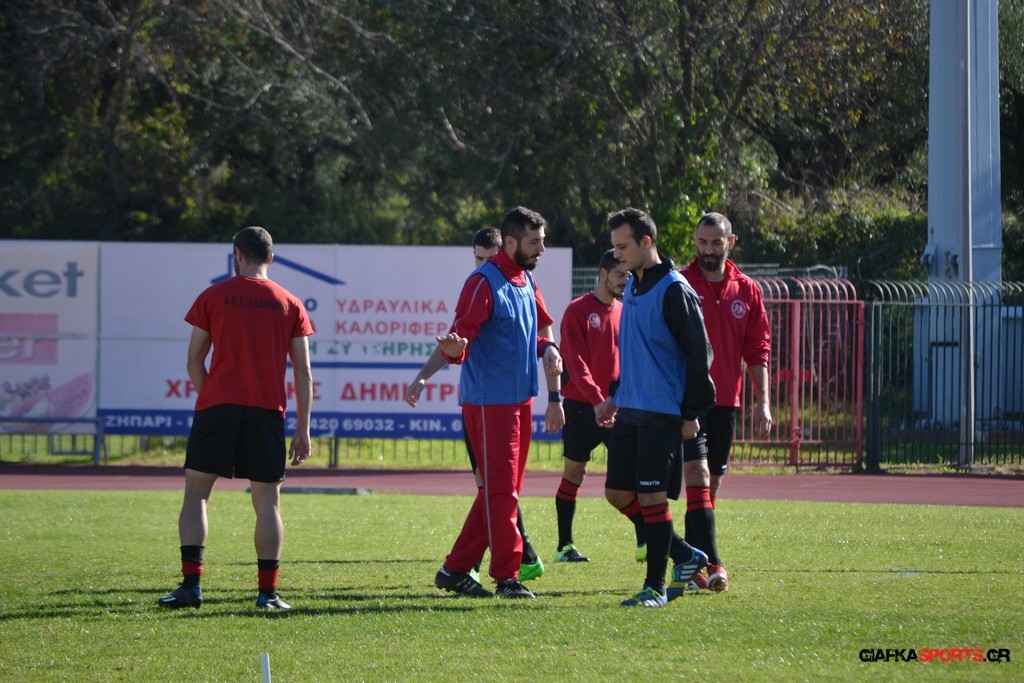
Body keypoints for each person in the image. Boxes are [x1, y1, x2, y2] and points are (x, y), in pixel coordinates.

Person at [158, 226, 314, 612]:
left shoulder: (213, 296)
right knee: (268, 503)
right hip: (266, 412)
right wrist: (303, 428)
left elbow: (194, 361)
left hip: (217, 408)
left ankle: (191, 587)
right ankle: (268, 594)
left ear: (237, 255)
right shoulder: (290, 303)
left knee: (197, 496)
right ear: (271, 258)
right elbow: (303, 372)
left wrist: (211, 396)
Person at [406, 226, 553, 582]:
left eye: (542, 240)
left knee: (501, 492)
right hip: (490, 403)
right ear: (513, 243)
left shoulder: (527, 280)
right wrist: (453, 353)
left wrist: (549, 348)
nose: (542, 247)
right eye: (535, 241)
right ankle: (507, 577)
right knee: (500, 492)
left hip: (519, 400)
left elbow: (532, 336)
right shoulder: (482, 282)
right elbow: (461, 339)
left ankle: (455, 570)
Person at [595, 208, 716, 608]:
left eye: (623, 246)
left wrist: (691, 413)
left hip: (663, 414)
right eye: (614, 247)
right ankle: (685, 553)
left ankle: (655, 587)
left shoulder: (675, 289)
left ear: (646, 242)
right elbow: (635, 350)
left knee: (652, 499)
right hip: (629, 408)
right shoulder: (632, 284)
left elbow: (701, 355)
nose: (617, 254)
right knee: (617, 493)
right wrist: (614, 394)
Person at [679, 211, 772, 592]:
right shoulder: (681, 283)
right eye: (702, 242)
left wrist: (763, 402)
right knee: (697, 478)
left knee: (711, 484)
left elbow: (758, 349)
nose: (708, 250)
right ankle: (714, 562)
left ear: (730, 243)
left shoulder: (747, 290)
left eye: (716, 243)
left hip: (726, 403)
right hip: (687, 402)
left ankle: (692, 561)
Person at [552, 249, 629, 563]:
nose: (625, 281)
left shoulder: (625, 311)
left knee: (629, 477)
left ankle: (645, 543)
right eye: (620, 275)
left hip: (617, 408)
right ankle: (564, 546)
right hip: (582, 408)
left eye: (628, 275)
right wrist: (598, 400)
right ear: (603, 274)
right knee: (575, 472)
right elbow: (575, 362)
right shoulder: (577, 310)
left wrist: (613, 400)